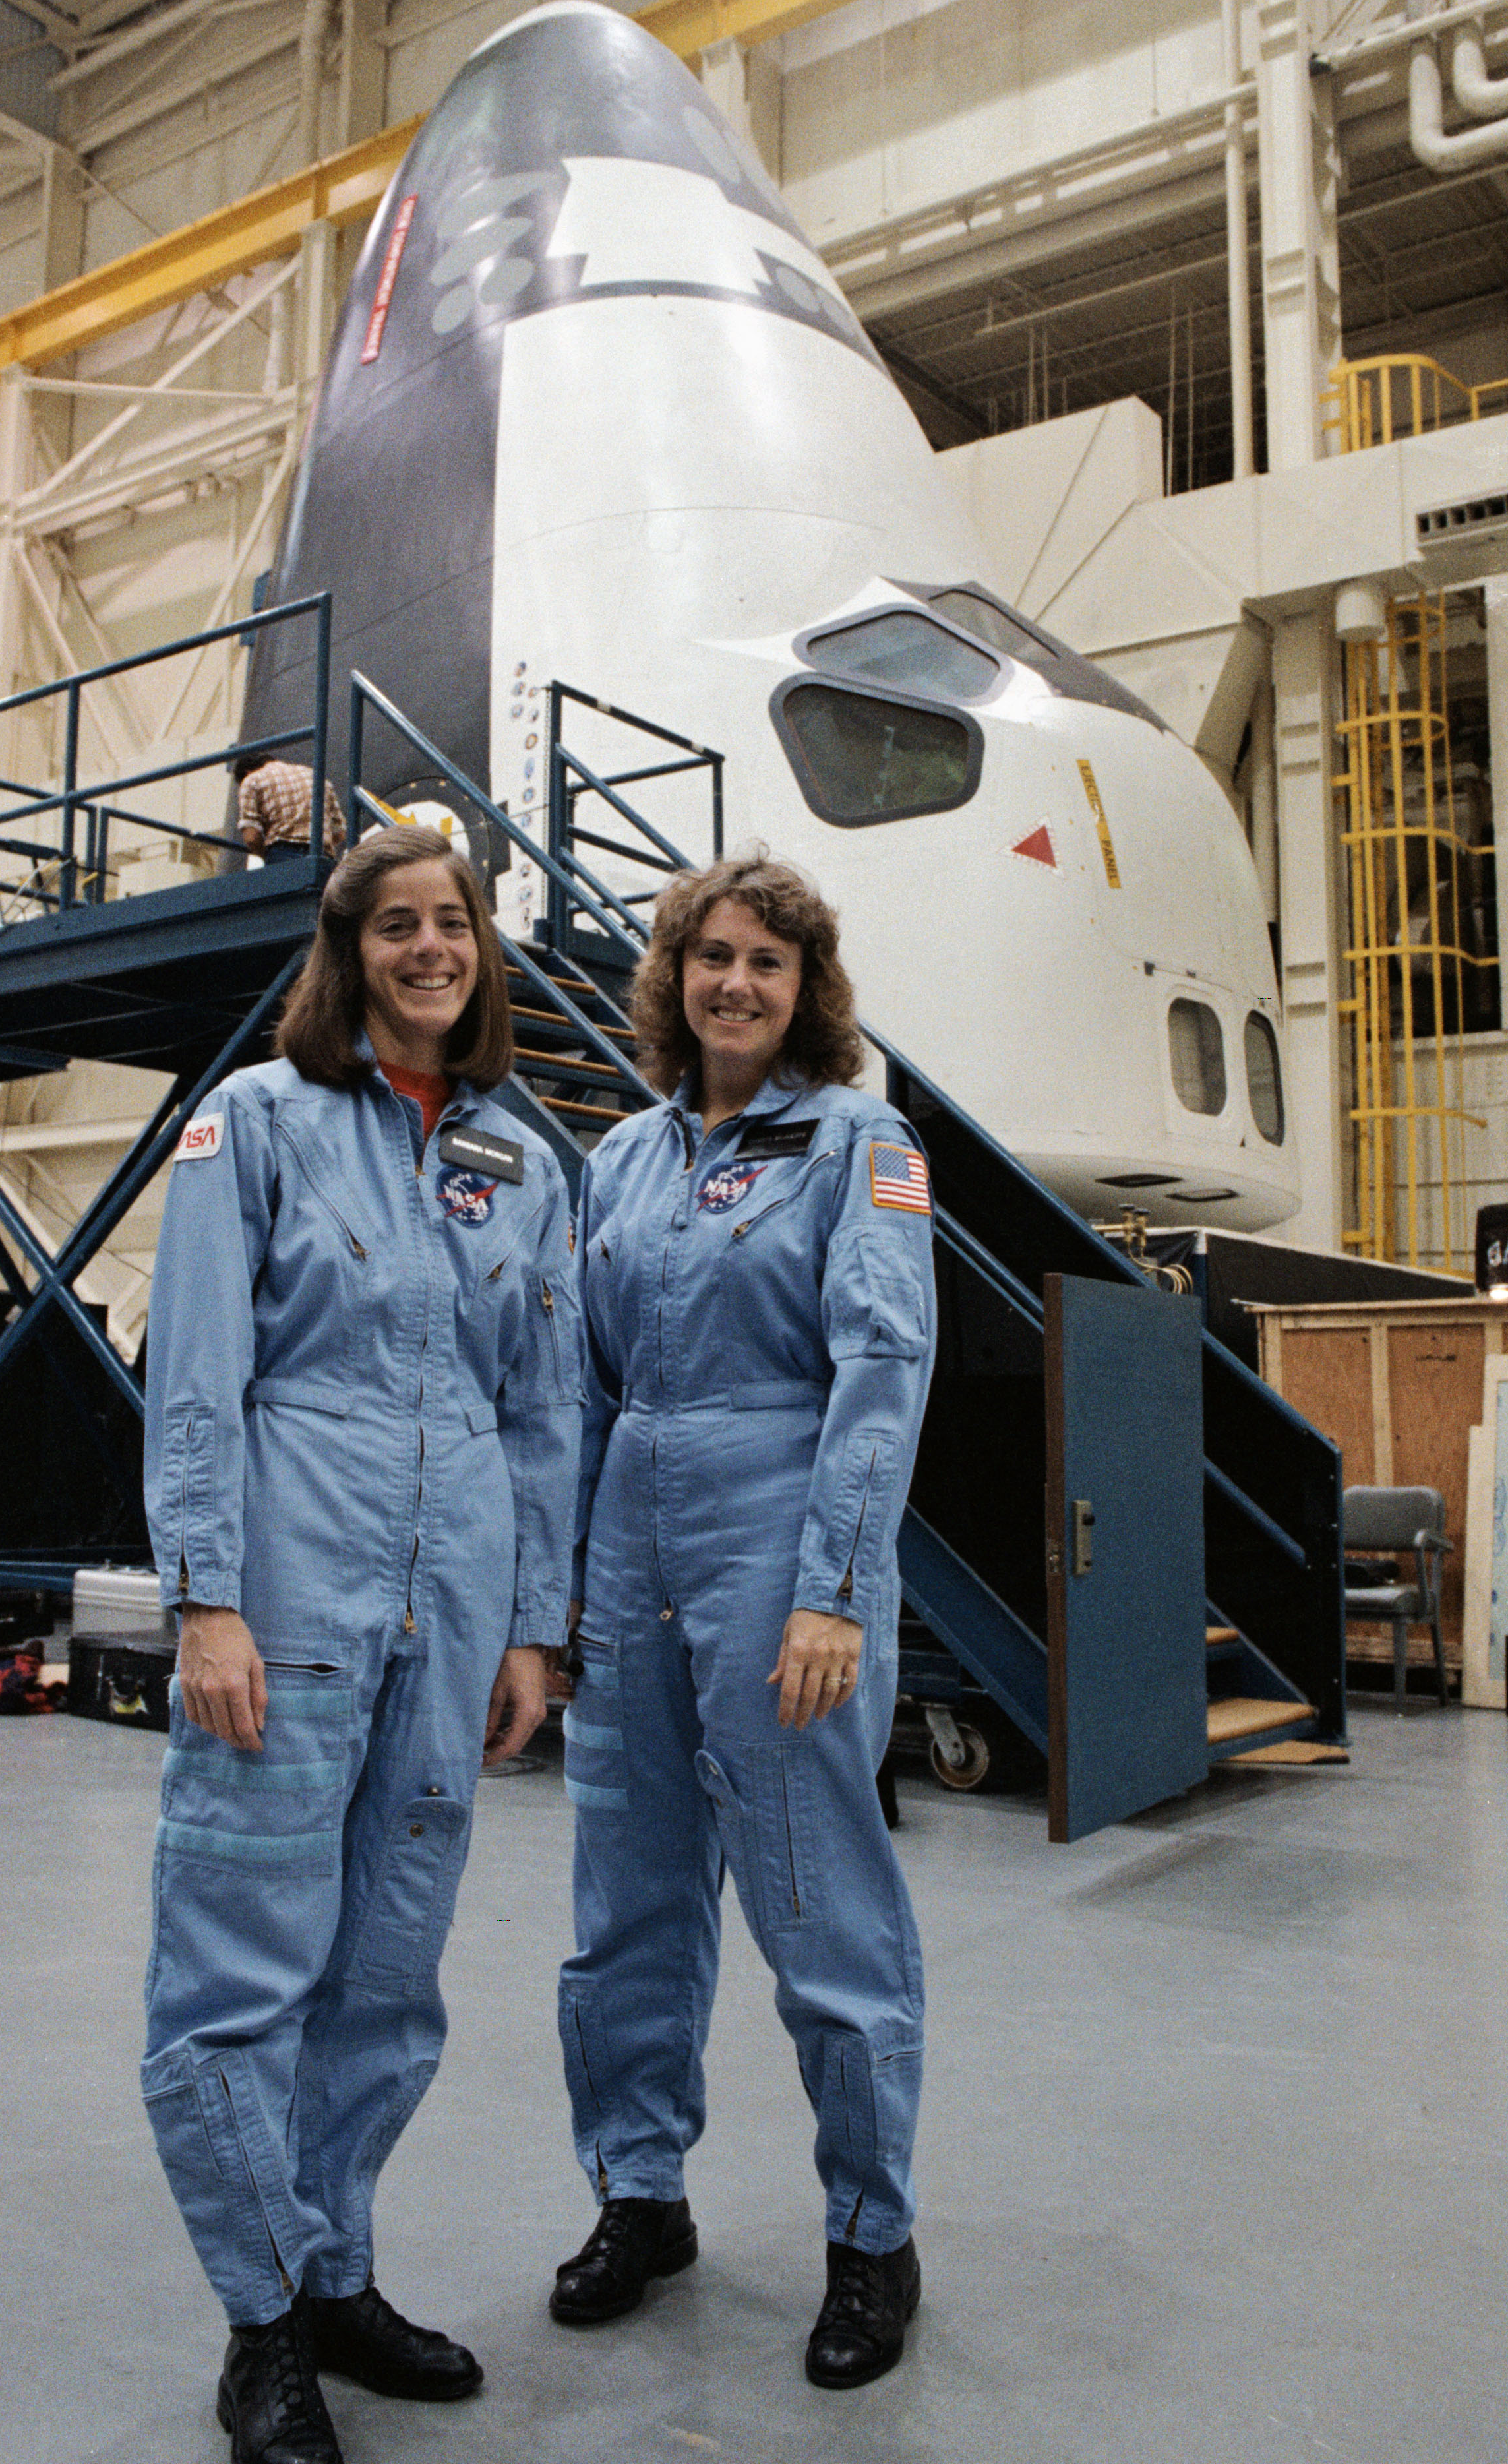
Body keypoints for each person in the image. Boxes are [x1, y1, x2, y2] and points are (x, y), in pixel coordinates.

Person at [140, 824, 580, 2464]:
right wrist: (206, 1593)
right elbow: (195, 1369)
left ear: (482, 950)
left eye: (451, 922)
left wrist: (534, 1632)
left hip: (453, 1605)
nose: (427, 949)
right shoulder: (252, 1125)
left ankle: (335, 2272)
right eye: (395, 925)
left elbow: (542, 1411)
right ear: (352, 953)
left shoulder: (524, 1160)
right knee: (240, 1975)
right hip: (293, 1591)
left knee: (388, 1977)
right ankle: (261, 2328)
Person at [552, 853, 936, 2390]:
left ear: (806, 988)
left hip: (780, 1551)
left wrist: (836, 1586)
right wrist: (556, 1598)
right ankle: (639, 2197)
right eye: (712, 956)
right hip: (629, 1547)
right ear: (674, 975)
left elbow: (884, 1364)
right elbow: (578, 1389)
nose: (736, 984)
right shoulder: (623, 1162)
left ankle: (871, 2232)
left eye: (768, 963)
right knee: (626, 1913)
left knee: (817, 1909)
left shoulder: (862, 1142)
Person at [236, 745, 347, 863]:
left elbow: (251, 838)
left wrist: (264, 856)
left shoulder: (251, 780)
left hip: (283, 854)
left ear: (247, 772)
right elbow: (339, 833)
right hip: (323, 857)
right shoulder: (315, 776)